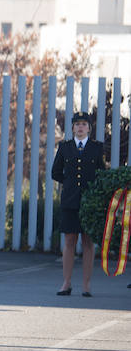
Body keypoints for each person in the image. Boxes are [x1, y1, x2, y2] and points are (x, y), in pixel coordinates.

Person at [52, 111, 106, 297]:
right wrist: (69, 184)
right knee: (69, 241)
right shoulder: (65, 147)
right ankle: (66, 283)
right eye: (77, 124)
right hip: (70, 201)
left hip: (90, 202)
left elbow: (101, 173)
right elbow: (55, 172)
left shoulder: (97, 148)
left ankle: (86, 284)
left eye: (84, 124)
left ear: (89, 128)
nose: (80, 127)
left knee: (88, 242)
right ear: (73, 128)